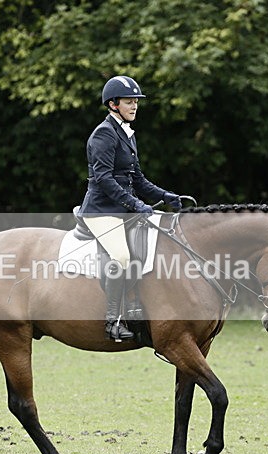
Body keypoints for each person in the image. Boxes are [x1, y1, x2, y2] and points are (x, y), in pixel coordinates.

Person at [79, 75, 183, 341]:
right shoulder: (104, 133)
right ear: (113, 104)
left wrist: (165, 195)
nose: (134, 106)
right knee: (122, 258)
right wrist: (136, 203)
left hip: (123, 210)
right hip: (102, 212)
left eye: (136, 101)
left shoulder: (126, 134)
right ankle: (113, 320)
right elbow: (104, 179)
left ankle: (138, 306)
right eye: (129, 101)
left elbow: (137, 179)